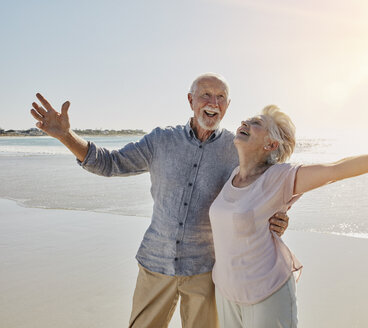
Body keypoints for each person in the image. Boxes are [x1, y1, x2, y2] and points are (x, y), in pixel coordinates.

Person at [28, 73, 290, 328]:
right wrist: (65, 135)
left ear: (228, 105)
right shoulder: (161, 139)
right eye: (206, 95)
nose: (213, 102)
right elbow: (110, 163)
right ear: (190, 100)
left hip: (206, 269)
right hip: (155, 262)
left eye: (221, 97)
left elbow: (266, 183)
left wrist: (277, 215)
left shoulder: (238, 147)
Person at [208, 105, 368, 328]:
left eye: (256, 123)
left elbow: (338, 168)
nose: (244, 122)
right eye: (248, 119)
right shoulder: (231, 174)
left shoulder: (280, 177)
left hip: (266, 290)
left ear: (271, 144)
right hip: (226, 290)